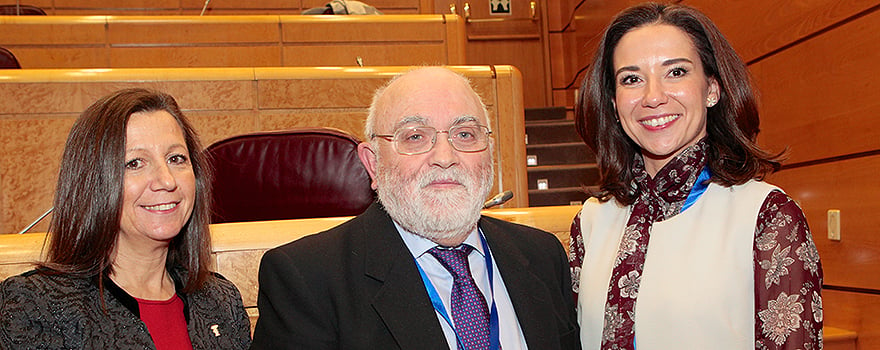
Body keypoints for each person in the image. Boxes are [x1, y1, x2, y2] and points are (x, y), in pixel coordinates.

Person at [252, 67, 580, 349]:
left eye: (464, 134)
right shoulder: (306, 280)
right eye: (414, 137)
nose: (444, 157)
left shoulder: (542, 257)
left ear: (489, 153)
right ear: (373, 163)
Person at [568, 3, 823, 349]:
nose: (653, 96)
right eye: (632, 79)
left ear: (712, 89)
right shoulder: (591, 223)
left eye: (676, 72)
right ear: (614, 103)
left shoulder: (767, 218)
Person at [0, 88, 251, 349]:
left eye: (176, 158)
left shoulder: (220, 300)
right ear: (93, 183)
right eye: (134, 163)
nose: (167, 180)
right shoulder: (34, 306)